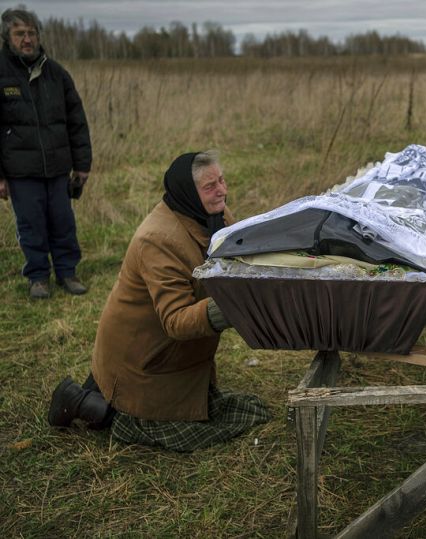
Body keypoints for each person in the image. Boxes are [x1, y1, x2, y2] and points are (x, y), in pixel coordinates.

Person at [47, 151, 271, 452]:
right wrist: (233, 306)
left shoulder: (214, 217)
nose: (222, 190)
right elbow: (176, 320)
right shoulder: (158, 240)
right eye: (210, 186)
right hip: (144, 360)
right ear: (189, 192)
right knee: (195, 434)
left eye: (222, 180)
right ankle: (94, 407)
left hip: (174, 357)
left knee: (249, 410)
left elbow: (237, 257)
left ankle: (103, 399)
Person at [0, 8, 92, 300]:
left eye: (31, 33)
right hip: (20, 170)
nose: (27, 40)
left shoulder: (56, 73)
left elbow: (76, 120)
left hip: (57, 167)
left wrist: (82, 165)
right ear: (7, 37)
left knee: (63, 222)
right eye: (20, 34)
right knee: (31, 226)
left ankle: (67, 273)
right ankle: (38, 277)